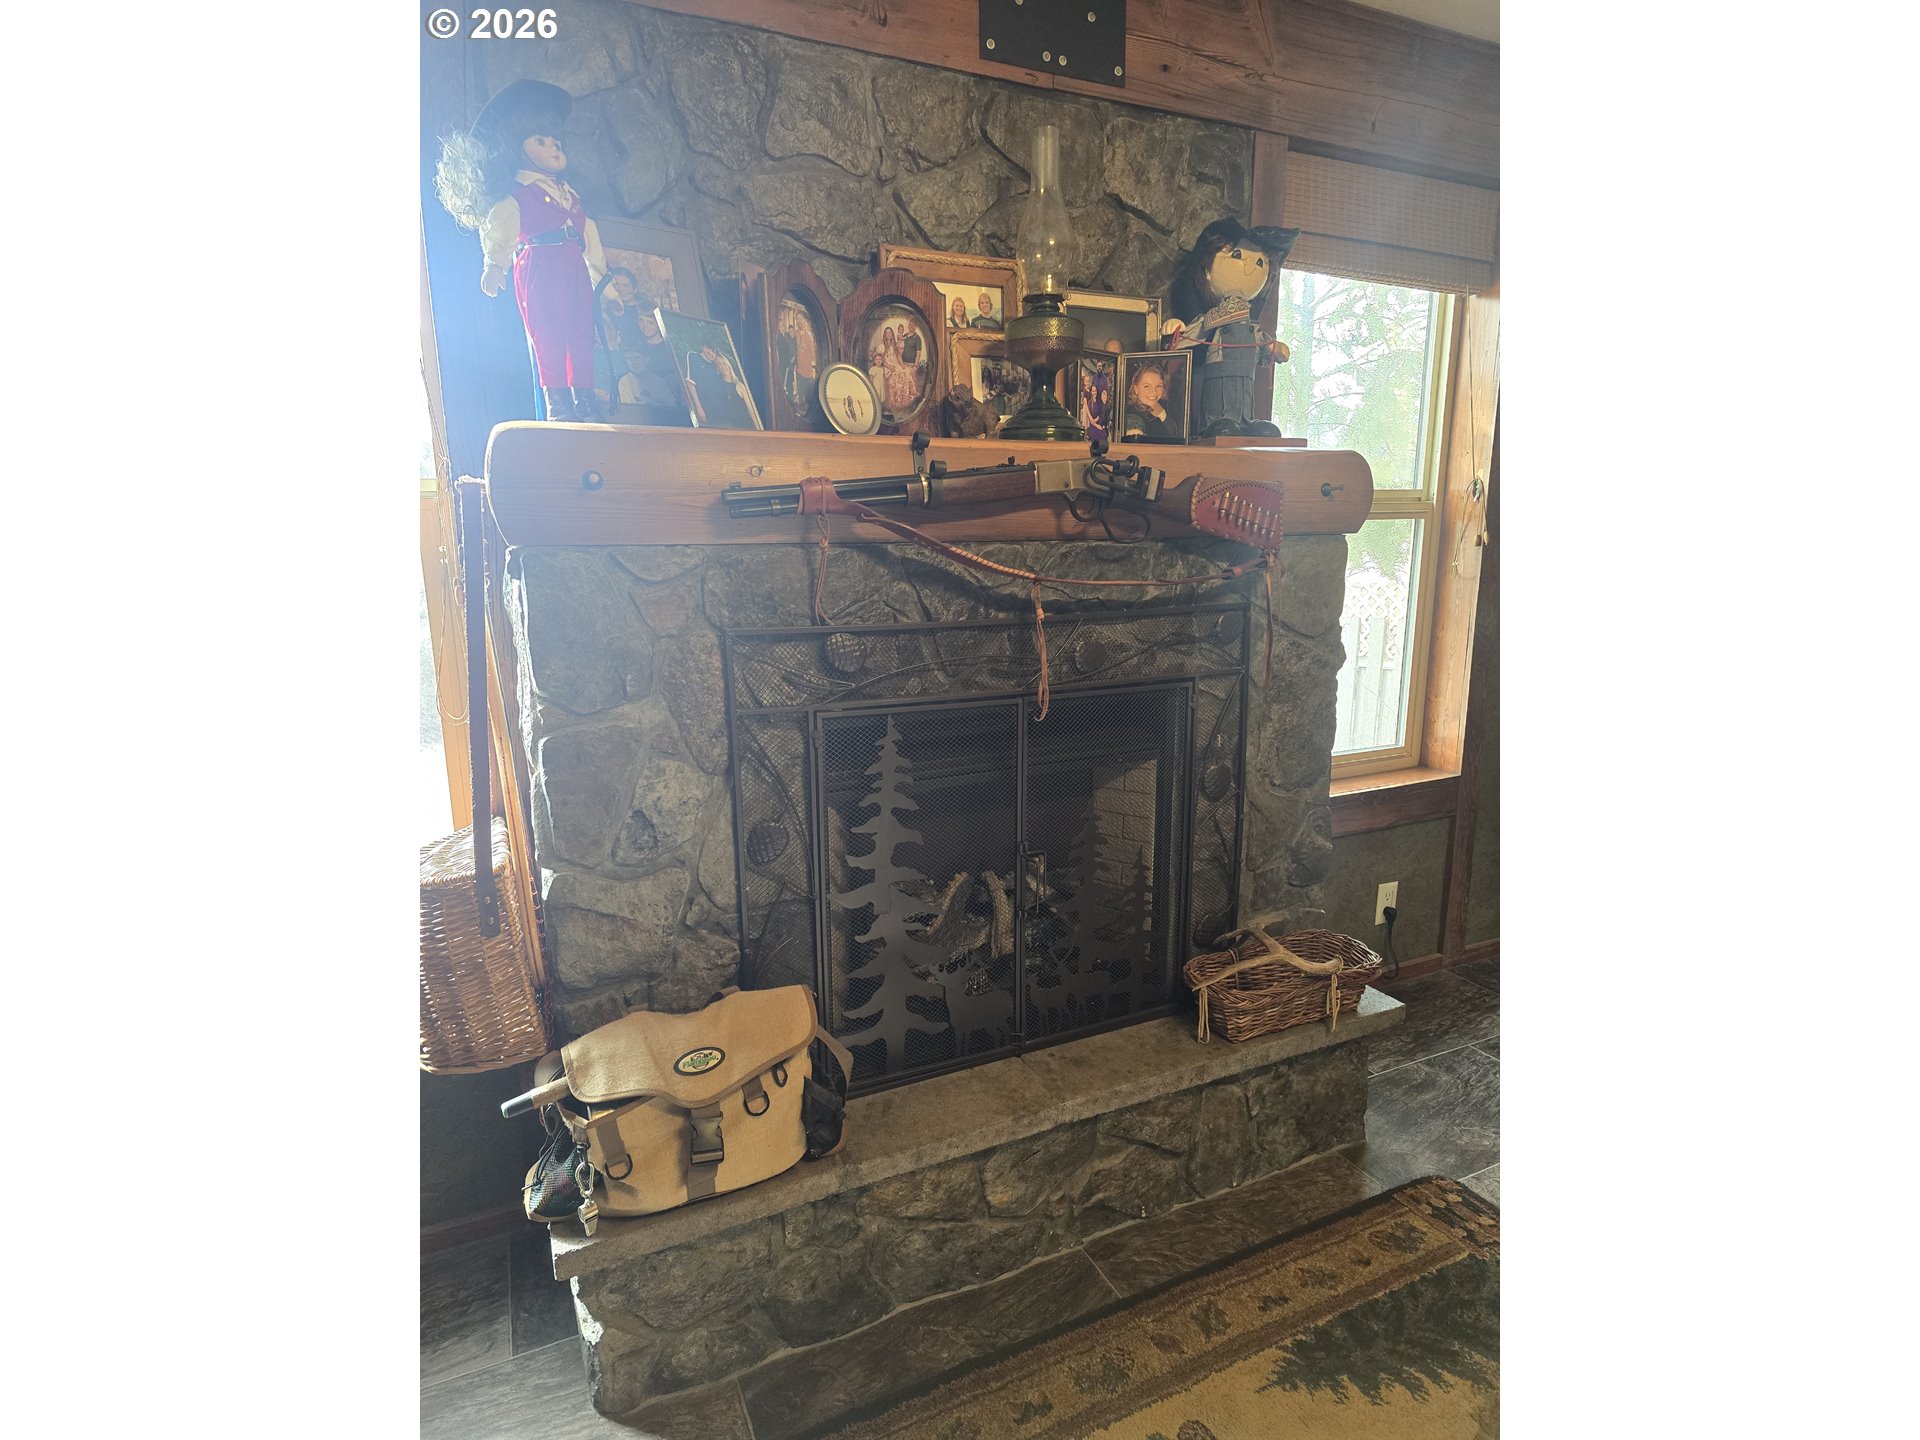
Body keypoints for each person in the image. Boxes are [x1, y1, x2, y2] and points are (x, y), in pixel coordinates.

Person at [436, 79, 607, 421]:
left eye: (556, 142)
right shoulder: (518, 195)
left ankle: (583, 397)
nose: (553, 148)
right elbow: (502, 226)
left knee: (580, 331)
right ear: (517, 146)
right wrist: (495, 265)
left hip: (573, 265)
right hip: (541, 266)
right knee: (549, 333)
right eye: (541, 141)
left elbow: (588, 231)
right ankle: (557, 401)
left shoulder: (568, 193)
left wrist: (602, 278)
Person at [1164, 217, 1300, 437]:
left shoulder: (1251, 324)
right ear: (1206, 270)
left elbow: (1262, 344)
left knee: (1244, 399)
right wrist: (1177, 331)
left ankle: (1247, 422)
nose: (1249, 267)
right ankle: (1215, 422)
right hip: (1217, 374)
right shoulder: (1213, 317)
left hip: (1246, 377)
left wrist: (1275, 349)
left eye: (1259, 262)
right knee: (1220, 403)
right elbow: (1192, 334)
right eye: (1237, 255)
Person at [685, 342, 755, 429]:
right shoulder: (693, 357)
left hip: (727, 418)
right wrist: (699, 408)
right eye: (708, 349)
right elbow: (690, 383)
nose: (711, 353)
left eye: (713, 351)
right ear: (703, 347)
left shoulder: (715, 366)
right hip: (709, 415)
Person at [1121, 362, 1175, 441]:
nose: (1154, 392)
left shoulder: (1165, 405)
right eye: (1147, 386)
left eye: (1158, 386)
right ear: (1136, 389)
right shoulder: (1133, 417)